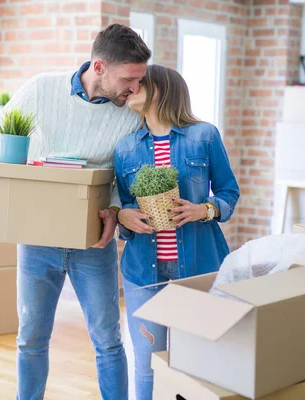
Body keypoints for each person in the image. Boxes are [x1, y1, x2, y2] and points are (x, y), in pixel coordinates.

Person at [0, 24, 151, 400]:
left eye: (139, 79)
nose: (135, 88)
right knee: (30, 338)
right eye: (129, 79)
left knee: (107, 340)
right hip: (37, 239)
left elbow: (124, 173)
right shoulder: (41, 90)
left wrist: (116, 208)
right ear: (98, 67)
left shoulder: (131, 112)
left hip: (93, 243)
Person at [114, 65, 240, 400]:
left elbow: (229, 193)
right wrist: (124, 218)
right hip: (143, 273)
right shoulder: (125, 148)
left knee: (197, 363)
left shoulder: (204, 136)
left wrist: (204, 210)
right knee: (147, 364)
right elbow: (124, 206)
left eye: (141, 83)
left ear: (161, 89)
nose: (132, 88)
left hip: (200, 268)